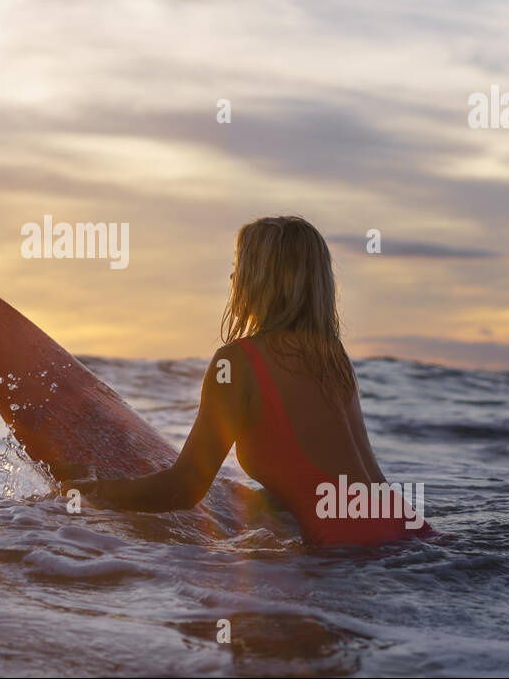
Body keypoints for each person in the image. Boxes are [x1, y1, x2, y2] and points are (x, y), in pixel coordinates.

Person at [63, 215, 433, 546]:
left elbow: (185, 487)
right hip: (408, 537)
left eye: (238, 266)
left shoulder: (238, 362)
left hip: (348, 553)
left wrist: (95, 493)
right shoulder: (333, 356)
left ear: (259, 278)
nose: (231, 277)